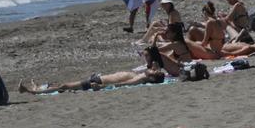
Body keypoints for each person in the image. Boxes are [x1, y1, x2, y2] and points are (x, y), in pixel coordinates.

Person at [19, 46, 172, 94]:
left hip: (98, 81)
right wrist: (156, 71)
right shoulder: (147, 74)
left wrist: (101, 87)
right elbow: (157, 67)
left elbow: (124, 84)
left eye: (154, 72)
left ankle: (31, 91)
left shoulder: (141, 78)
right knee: (63, 85)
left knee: (64, 86)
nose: (154, 69)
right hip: (99, 79)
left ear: (151, 78)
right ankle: (38, 88)